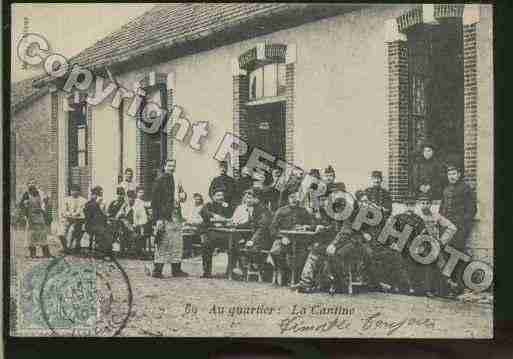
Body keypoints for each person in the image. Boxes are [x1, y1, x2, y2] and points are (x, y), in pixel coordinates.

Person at [439, 164, 477, 293]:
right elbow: (442, 209)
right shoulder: (446, 190)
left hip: (459, 228)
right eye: (450, 174)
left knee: (457, 253)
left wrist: (462, 225)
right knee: (447, 253)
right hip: (447, 229)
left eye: (454, 174)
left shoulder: (466, 189)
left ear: (459, 174)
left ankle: (459, 284)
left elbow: (472, 210)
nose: (452, 177)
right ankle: (448, 284)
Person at [150, 159, 189, 278]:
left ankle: (176, 269)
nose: (171, 168)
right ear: (165, 167)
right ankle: (157, 270)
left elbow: (182, 195)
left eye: (173, 166)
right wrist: (158, 218)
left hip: (176, 215)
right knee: (163, 242)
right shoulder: (160, 180)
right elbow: (155, 201)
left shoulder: (177, 180)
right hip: (164, 215)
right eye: (169, 166)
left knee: (177, 242)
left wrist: (183, 196)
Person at [268, 191, 315, 286]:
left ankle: (295, 278)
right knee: (275, 251)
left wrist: (306, 227)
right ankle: (283, 272)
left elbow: (313, 224)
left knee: (301, 255)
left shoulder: (304, 211)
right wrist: (282, 237)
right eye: (292, 197)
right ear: (288, 198)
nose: (294, 200)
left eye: (296, 197)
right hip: (284, 239)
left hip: (300, 240)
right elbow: (272, 228)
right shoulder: (281, 211)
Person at [417, 193, 457, 297]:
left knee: (441, 265)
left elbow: (452, 227)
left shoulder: (436, 216)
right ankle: (427, 290)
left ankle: (443, 291)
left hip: (434, 245)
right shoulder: (417, 216)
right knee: (427, 266)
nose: (425, 205)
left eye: (427, 203)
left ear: (430, 204)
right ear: (419, 204)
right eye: (423, 203)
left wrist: (442, 241)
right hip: (421, 246)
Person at [230, 188, 273, 277]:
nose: (247, 200)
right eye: (246, 198)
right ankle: (242, 267)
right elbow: (250, 223)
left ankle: (255, 267)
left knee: (247, 246)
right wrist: (236, 227)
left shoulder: (263, 210)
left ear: (257, 199)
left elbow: (262, 228)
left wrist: (253, 240)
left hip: (265, 239)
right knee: (236, 241)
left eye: (250, 198)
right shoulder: (255, 208)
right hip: (257, 237)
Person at [198, 189, 233, 278]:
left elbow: (230, 217)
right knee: (206, 245)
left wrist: (224, 219)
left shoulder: (226, 206)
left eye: (222, 196)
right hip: (211, 233)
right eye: (218, 195)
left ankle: (230, 272)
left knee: (233, 245)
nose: (220, 198)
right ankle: (207, 272)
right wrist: (214, 215)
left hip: (224, 233)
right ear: (213, 197)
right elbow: (203, 212)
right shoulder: (208, 205)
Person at [19, 179, 52, 258]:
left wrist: (45, 208)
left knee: (43, 234)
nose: (32, 185)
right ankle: (33, 254)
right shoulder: (26, 194)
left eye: (34, 183)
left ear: (36, 185)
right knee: (31, 235)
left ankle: (46, 253)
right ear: (28, 185)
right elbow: (22, 206)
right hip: (30, 217)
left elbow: (46, 203)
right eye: (30, 183)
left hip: (40, 216)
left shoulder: (40, 193)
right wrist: (24, 214)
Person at [58, 184, 87, 253]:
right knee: (61, 233)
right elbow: (63, 210)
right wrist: (69, 215)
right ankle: (65, 247)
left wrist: (75, 215)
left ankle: (69, 247)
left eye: (75, 190)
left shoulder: (83, 200)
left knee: (72, 231)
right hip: (67, 219)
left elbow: (81, 210)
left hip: (77, 220)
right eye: (72, 190)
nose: (73, 192)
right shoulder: (66, 200)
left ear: (79, 192)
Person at [84, 186, 112, 256]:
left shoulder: (102, 203)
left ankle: (103, 249)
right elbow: (88, 216)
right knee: (103, 232)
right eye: (98, 194)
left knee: (110, 230)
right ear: (93, 195)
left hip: (100, 225)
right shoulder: (88, 204)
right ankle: (100, 250)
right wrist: (97, 204)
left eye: (100, 195)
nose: (99, 197)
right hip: (91, 225)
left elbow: (104, 214)